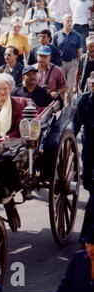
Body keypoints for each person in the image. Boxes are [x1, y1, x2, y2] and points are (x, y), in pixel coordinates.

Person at [73, 73, 94, 244]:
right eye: (92, 84)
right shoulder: (85, 99)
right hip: (88, 140)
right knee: (87, 177)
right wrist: (71, 141)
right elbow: (76, 122)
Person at [52, 14, 83, 105]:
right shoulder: (56, 35)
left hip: (72, 63)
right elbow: (53, 51)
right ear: (63, 23)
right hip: (60, 63)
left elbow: (79, 51)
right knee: (61, 87)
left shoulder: (77, 35)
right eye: (67, 21)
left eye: (70, 21)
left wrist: (79, 64)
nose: (69, 23)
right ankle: (60, 108)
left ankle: (69, 110)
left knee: (70, 88)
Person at [56, 224, 94, 292]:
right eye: (88, 244)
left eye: (93, 245)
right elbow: (65, 284)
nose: (90, 248)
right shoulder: (78, 259)